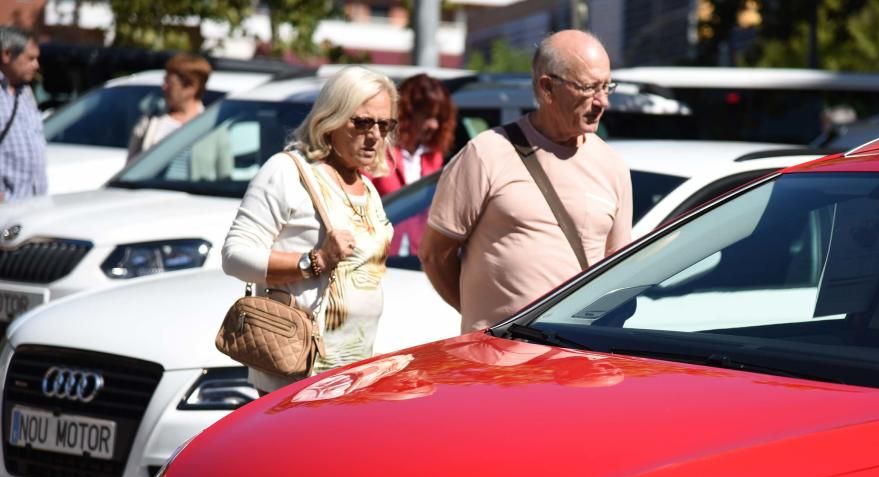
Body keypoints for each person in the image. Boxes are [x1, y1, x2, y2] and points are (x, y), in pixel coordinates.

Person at [419, 30, 633, 334]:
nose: (603, 102)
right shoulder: (487, 153)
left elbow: (616, 268)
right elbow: (434, 254)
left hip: (577, 360)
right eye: (589, 88)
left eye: (606, 87)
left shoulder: (612, 166)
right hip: (499, 362)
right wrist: (486, 325)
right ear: (547, 88)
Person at [221, 66, 398, 394]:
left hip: (355, 373)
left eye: (384, 124)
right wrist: (313, 260)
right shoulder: (287, 172)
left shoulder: (367, 188)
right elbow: (234, 256)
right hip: (297, 374)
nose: (374, 135)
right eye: (361, 122)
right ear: (331, 119)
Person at [370, 73, 456, 257]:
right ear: (407, 113)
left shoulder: (434, 157)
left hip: (417, 256)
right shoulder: (378, 151)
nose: (434, 125)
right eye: (427, 116)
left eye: (439, 118)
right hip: (379, 254)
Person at [126, 53, 212, 163]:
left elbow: (223, 176)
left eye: (170, 83)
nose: (164, 87)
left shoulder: (211, 126)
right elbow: (130, 167)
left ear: (191, 88)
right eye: (164, 81)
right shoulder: (150, 121)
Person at [0, 26, 45, 203]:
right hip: (6, 209)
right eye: (30, 59)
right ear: (7, 55)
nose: (36, 65)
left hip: (32, 205)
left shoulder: (25, 93)